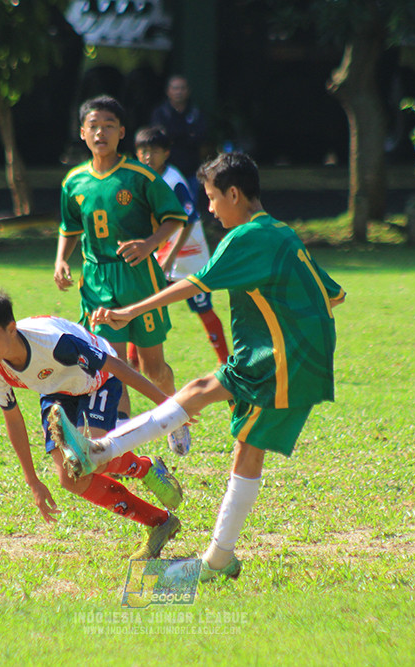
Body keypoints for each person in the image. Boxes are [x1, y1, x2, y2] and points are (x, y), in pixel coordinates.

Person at [49, 152, 346, 581]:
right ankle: (101, 451)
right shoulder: (280, 231)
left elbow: (194, 283)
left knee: (247, 446)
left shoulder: (247, 236)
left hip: (285, 357)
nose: (209, 208)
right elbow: (332, 294)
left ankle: (216, 560)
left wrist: (130, 310)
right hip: (272, 352)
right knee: (200, 392)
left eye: (211, 198)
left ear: (234, 194)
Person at [0, 288, 183, 559]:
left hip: (97, 380)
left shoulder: (55, 343)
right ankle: (159, 522)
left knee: (92, 460)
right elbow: (14, 419)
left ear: (11, 328)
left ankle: (146, 468)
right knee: (71, 478)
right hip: (55, 390)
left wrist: (170, 406)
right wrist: (33, 481)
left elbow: (115, 366)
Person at [54, 95, 190, 457]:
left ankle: (174, 415)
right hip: (97, 280)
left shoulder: (139, 176)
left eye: (109, 126)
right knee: (112, 365)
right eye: (93, 126)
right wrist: (61, 260)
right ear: (82, 133)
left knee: (152, 366)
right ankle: (121, 443)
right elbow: (69, 227)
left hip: (139, 279)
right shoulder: (74, 181)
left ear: (122, 132)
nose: (101, 133)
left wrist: (149, 244)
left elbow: (175, 218)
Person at [128, 125, 229, 366]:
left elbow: (188, 220)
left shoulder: (174, 181)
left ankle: (225, 362)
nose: (148, 157)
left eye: (154, 151)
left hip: (189, 258)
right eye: (143, 151)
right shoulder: (141, 178)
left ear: (166, 153)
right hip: (162, 254)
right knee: (145, 303)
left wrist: (171, 257)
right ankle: (132, 360)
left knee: (203, 309)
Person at [150, 75, 207, 192]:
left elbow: (200, 137)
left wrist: (173, 135)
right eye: (175, 88)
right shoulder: (160, 113)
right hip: (166, 172)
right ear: (168, 91)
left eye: (182, 88)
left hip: (191, 171)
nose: (179, 92)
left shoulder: (195, 112)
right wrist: (186, 133)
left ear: (188, 91)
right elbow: (158, 139)